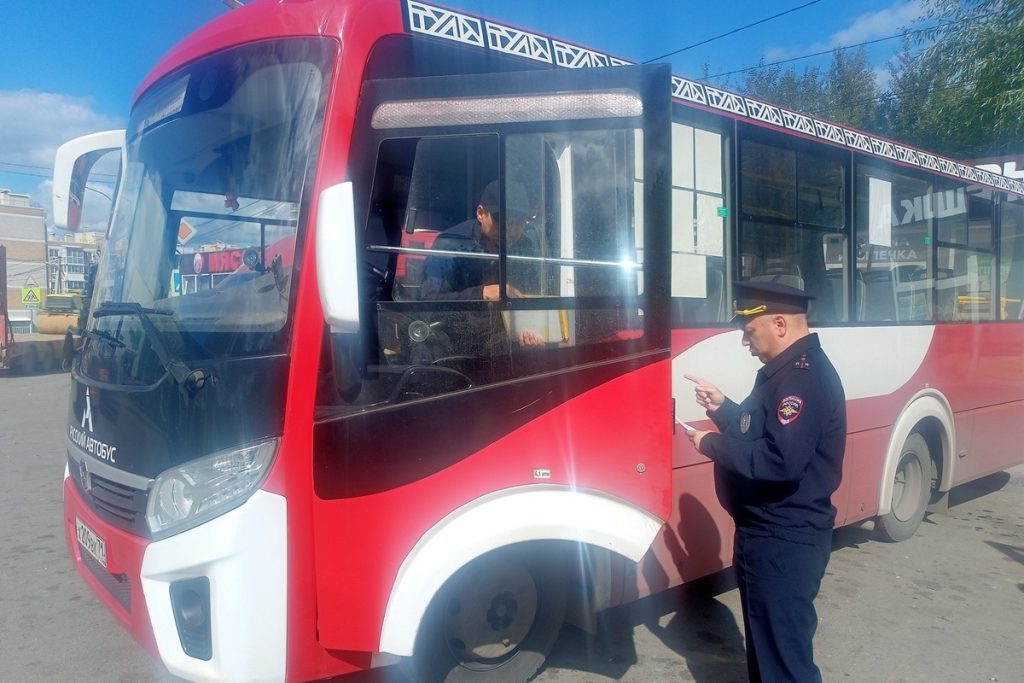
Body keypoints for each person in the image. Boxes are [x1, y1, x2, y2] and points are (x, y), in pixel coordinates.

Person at [684, 280, 846, 683]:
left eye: (748, 330)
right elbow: (762, 431)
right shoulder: (784, 373)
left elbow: (779, 461)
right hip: (767, 535)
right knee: (768, 654)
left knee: (784, 665)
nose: (745, 341)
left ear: (778, 323)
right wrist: (723, 409)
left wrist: (712, 445)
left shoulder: (801, 379)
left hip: (783, 540)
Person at [420, 180, 543, 347]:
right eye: (503, 220)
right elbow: (428, 304)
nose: (510, 229)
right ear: (480, 213)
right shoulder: (451, 244)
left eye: (519, 223)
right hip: (456, 342)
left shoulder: (525, 247)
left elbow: (532, 294)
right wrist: (482, 293)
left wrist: (534, 331)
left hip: (505, 341)